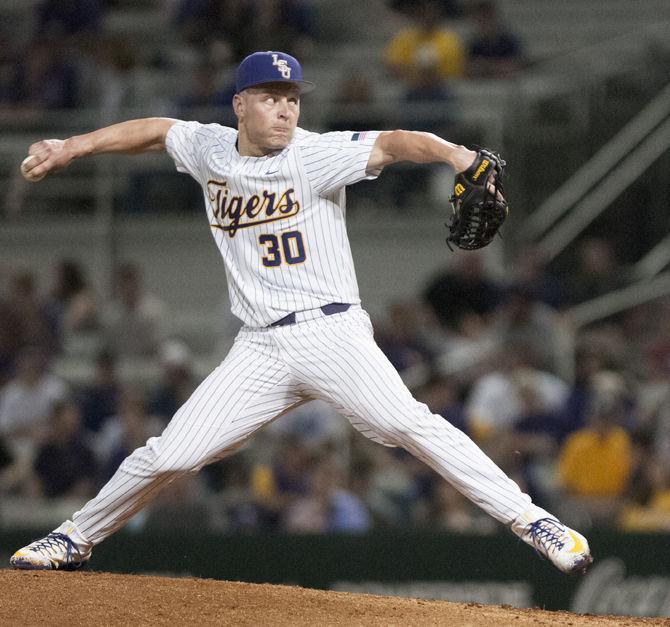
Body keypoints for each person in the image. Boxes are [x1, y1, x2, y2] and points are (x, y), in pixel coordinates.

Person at [11, 50, 591, 575]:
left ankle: (534, 522)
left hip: (332, 332)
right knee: (170, 453)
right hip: (259, 347)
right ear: (240, 104)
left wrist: (455, 155)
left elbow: (392, 142)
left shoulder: (315, 154)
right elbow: (156, 130)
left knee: (407, 425)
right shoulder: (210, 147)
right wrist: (72, 146)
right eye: (270, 98)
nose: (285, 110)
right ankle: (73, 538)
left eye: (291, 99)